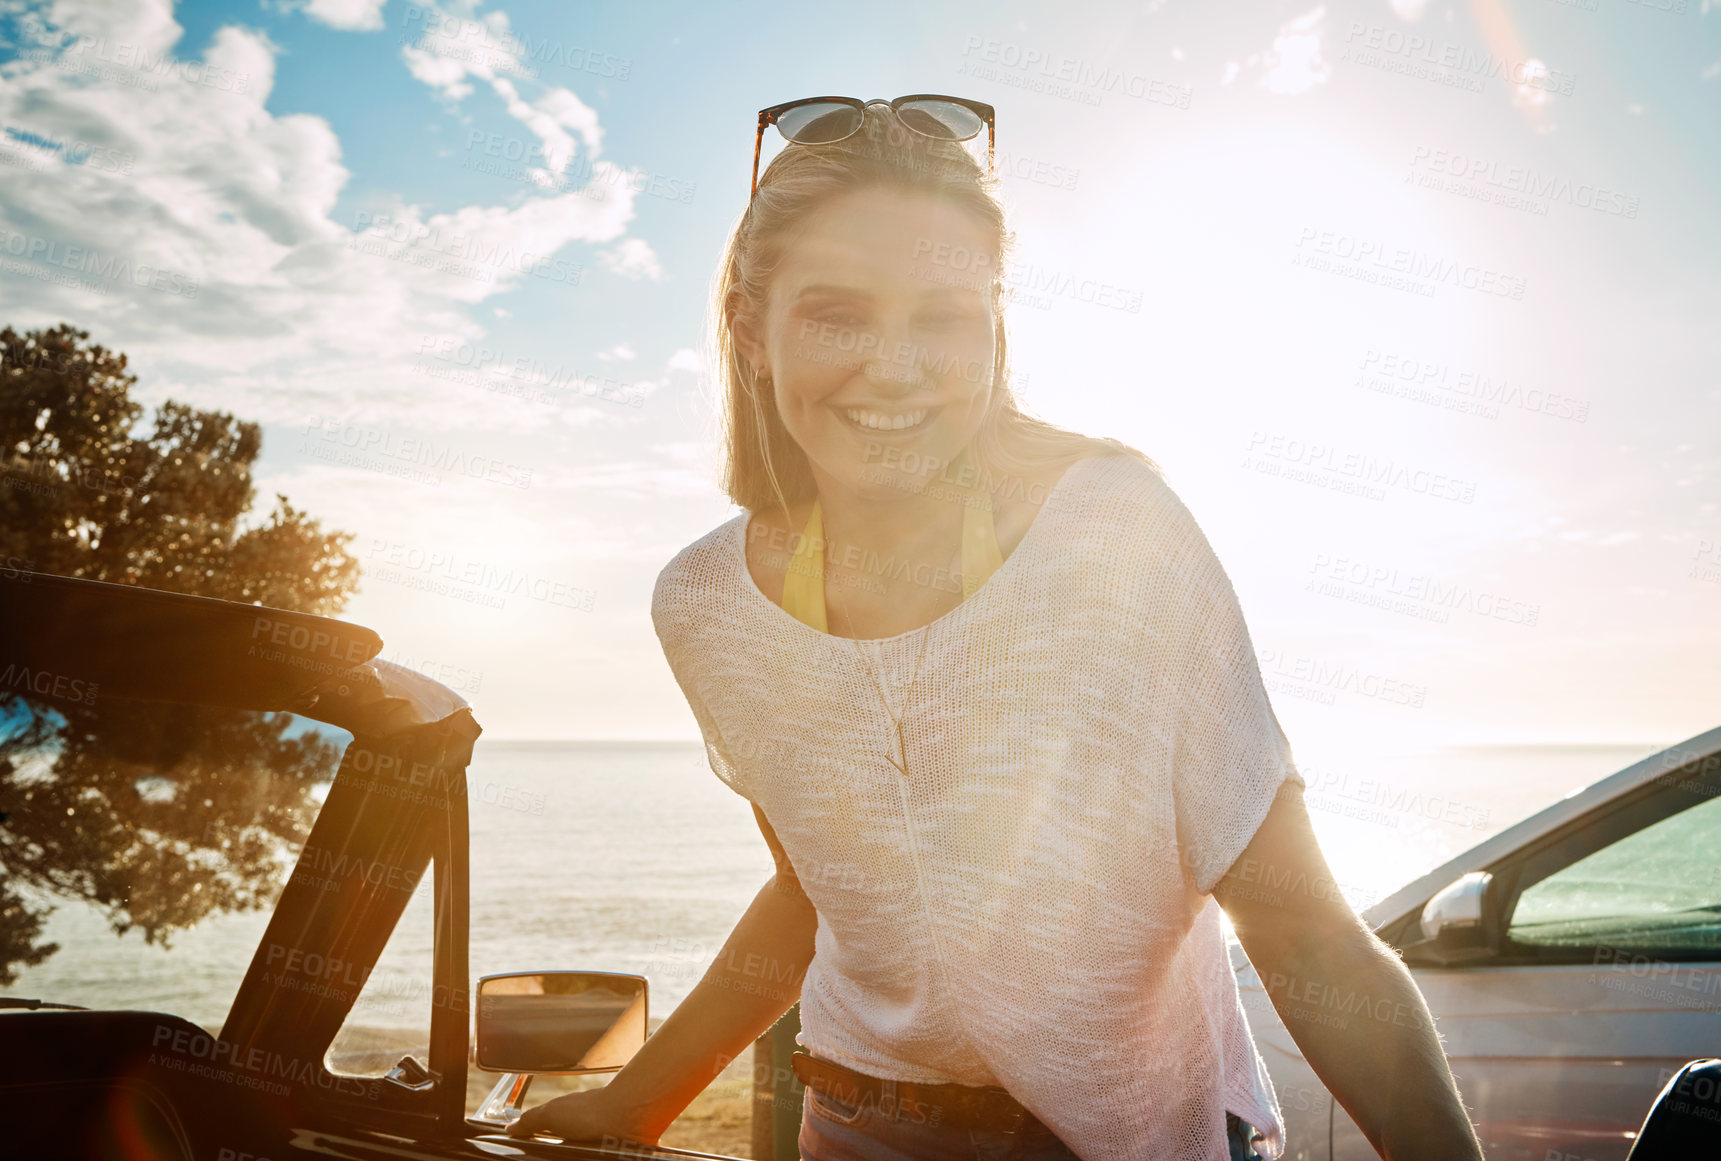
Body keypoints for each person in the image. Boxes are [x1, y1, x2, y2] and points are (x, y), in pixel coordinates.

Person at [509, 96, 1486, 1161]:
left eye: (941, 316)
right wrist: (637, 1102)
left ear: (993, 323)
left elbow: (1301, 930)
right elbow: (812, 887)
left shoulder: (1113, 532)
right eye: (837, 313)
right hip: (852, 1128)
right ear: (749, 326)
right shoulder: (702, 603)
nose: (894, 366)